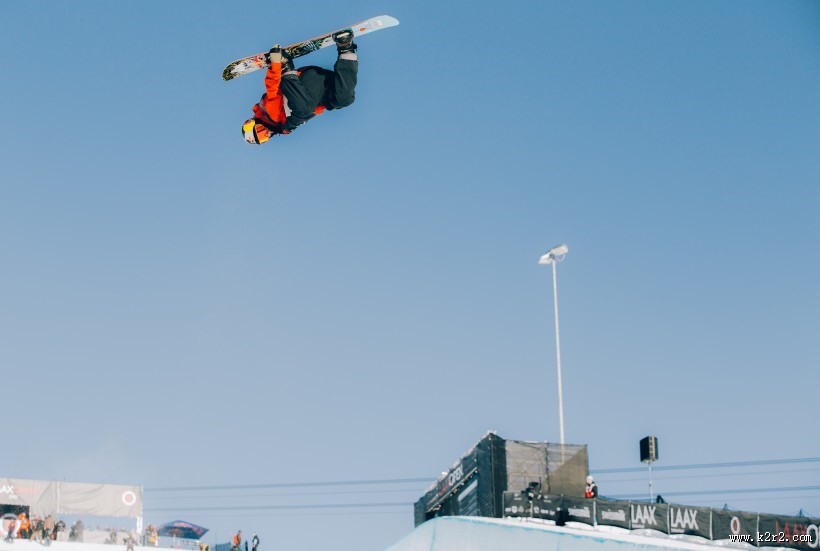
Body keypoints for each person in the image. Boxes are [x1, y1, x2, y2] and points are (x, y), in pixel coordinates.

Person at [242, 30, 359, 144]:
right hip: (323, 87)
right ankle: (346, 47)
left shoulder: (269, 112)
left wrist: (276, 64)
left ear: (254, 122)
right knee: (344, 99)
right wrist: (319, 108)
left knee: (303, 110)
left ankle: (285, 66)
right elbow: (307, 114)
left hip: (305, 80)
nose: (266, 134)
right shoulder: (285, 128)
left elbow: (272, 86)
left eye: (260, 131)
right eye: (263, 139)